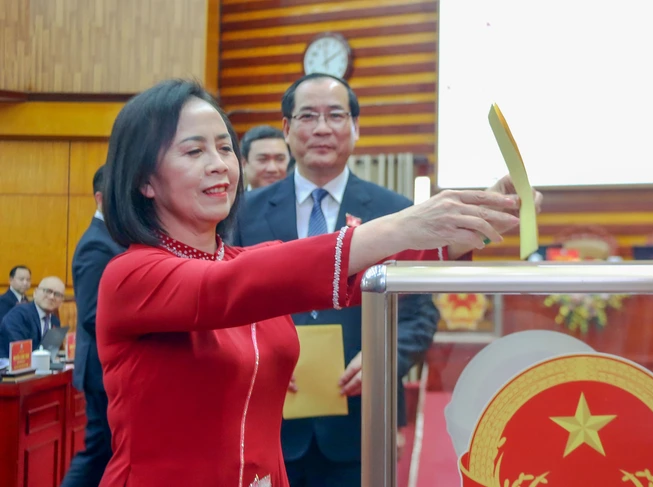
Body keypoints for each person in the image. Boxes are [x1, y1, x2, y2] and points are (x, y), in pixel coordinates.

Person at [97, 78, 539, 487]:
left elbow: (366, 274)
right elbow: (229, 285)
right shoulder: (131, 276)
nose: (219, 165)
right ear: (144, 180)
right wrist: (402, 225)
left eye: (225, 148)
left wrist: (477, 217)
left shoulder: (240, 259)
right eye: (194, 152)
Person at [233, 73, 440, 485]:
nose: (322, 128)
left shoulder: (395, 214)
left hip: (361, 424)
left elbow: (419, 314)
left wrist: (385, 357)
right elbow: (225, 305)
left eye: (335, 115)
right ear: (287, 129)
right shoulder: (242, 213)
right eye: (308, 116)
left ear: (355, 127)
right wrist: (255, 354)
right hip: (265, 422)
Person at [61, 165, 125, 487]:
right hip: (100, 370)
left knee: (107, 450)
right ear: (100, 198)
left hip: (109, 368)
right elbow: (91, 314)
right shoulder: (96, 244)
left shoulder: (116, 238)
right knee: (98, 450)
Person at [0, 276, 64, 357]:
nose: (52, 297)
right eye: (48, 291)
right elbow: (20, 352)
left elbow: (51, 352)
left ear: (62, 301)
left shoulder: (55, 321)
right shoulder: (18, 315)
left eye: (57, 294)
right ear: (35, 293)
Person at [241, 125, 290, 190]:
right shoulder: (233, 196)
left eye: (280, 159)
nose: (272, 169)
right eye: (263, 159)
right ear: (244, 163)